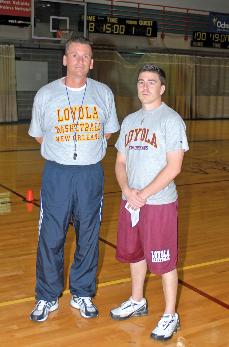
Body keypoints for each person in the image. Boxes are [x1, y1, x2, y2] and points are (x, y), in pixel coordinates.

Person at [28, 35, 120, 322]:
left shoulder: (104, 93)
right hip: (57, 174)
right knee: (51, 237)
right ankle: (46, 296)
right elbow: (40, 135)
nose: (80, 61)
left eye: (85, 56)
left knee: (89, 236)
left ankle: (82, 293)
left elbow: (107, 132)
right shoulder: (45, 94)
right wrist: (64, 152)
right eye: (74, 55)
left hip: (90, 175)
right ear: (65, 59)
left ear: (91, 63)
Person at [110, 64, 189, 341]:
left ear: (162, 88)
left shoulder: (171, 120)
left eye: (152, 82)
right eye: (141, 81)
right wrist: (127, 189)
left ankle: (170, 314)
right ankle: (137, 300)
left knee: (164, 261)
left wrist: (143, 194)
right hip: (130, 201)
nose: (145, 86)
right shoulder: (130, 121)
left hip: (159, 204)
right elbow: (120, 162)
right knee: (136, 253)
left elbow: (174, 167)